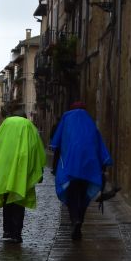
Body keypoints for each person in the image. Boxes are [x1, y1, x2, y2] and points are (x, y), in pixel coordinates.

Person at [50, 102, 113, 240]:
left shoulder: (66, 120)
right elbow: (99, 145)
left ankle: (75, 220)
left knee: (71, 195)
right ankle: (79, 221)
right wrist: (103, 165)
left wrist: (55, 166)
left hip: (70, 167)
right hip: (88, 167)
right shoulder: (90, 123)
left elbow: (56, 143)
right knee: (84, 196)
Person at [0, 116, 46, 243]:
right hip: (22, 169)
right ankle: (17, 233)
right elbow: (36, 148)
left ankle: (7, 231)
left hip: (5, 168)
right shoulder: (28, 126)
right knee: (19, 200)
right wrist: (38, 169)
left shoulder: (6, 124)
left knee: (6, 199)